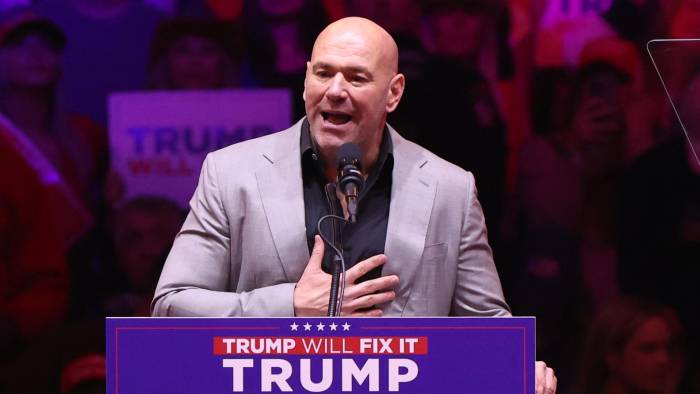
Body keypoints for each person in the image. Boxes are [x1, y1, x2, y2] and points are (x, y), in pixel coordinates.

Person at [152, 17, 556, 393]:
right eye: (324, 73)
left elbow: (487, 327)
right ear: (306, 78)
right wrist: (291, 304)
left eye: (357, 77)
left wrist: (517, 365)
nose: (335, 90)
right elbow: (171, 307)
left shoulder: (450, 188)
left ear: (393, 92)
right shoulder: (232, 174)